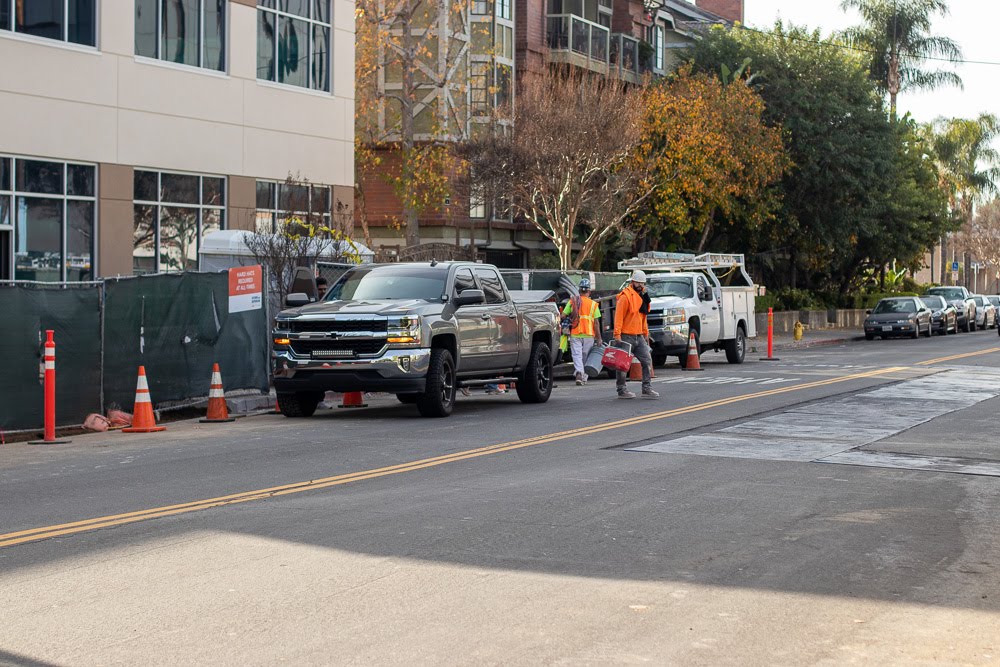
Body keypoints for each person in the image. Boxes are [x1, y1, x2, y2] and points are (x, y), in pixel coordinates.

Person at [613, 270, 659, 399]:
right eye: (638, 283)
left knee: (647, 361)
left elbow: (642, 317)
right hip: (626, 336)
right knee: (622, 365)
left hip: (639, 336)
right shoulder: (625, 297)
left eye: (642, 283)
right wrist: (617, 335)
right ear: (633, 282)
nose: (641, 285)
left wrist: (645, 332)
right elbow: (618, 317)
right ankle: (621, 390)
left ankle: (647, 388)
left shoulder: (642, 298)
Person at [562, 279, 603, 385]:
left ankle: (579, 373)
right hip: (589, 334)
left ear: (579, 291)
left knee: (577, 355)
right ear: (589, 292)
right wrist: (599, 338)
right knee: (585, 356)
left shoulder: (573, 301)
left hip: (575, 332)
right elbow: (596, 323)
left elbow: (563, 315)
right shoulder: (594, 304)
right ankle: (583, 377)